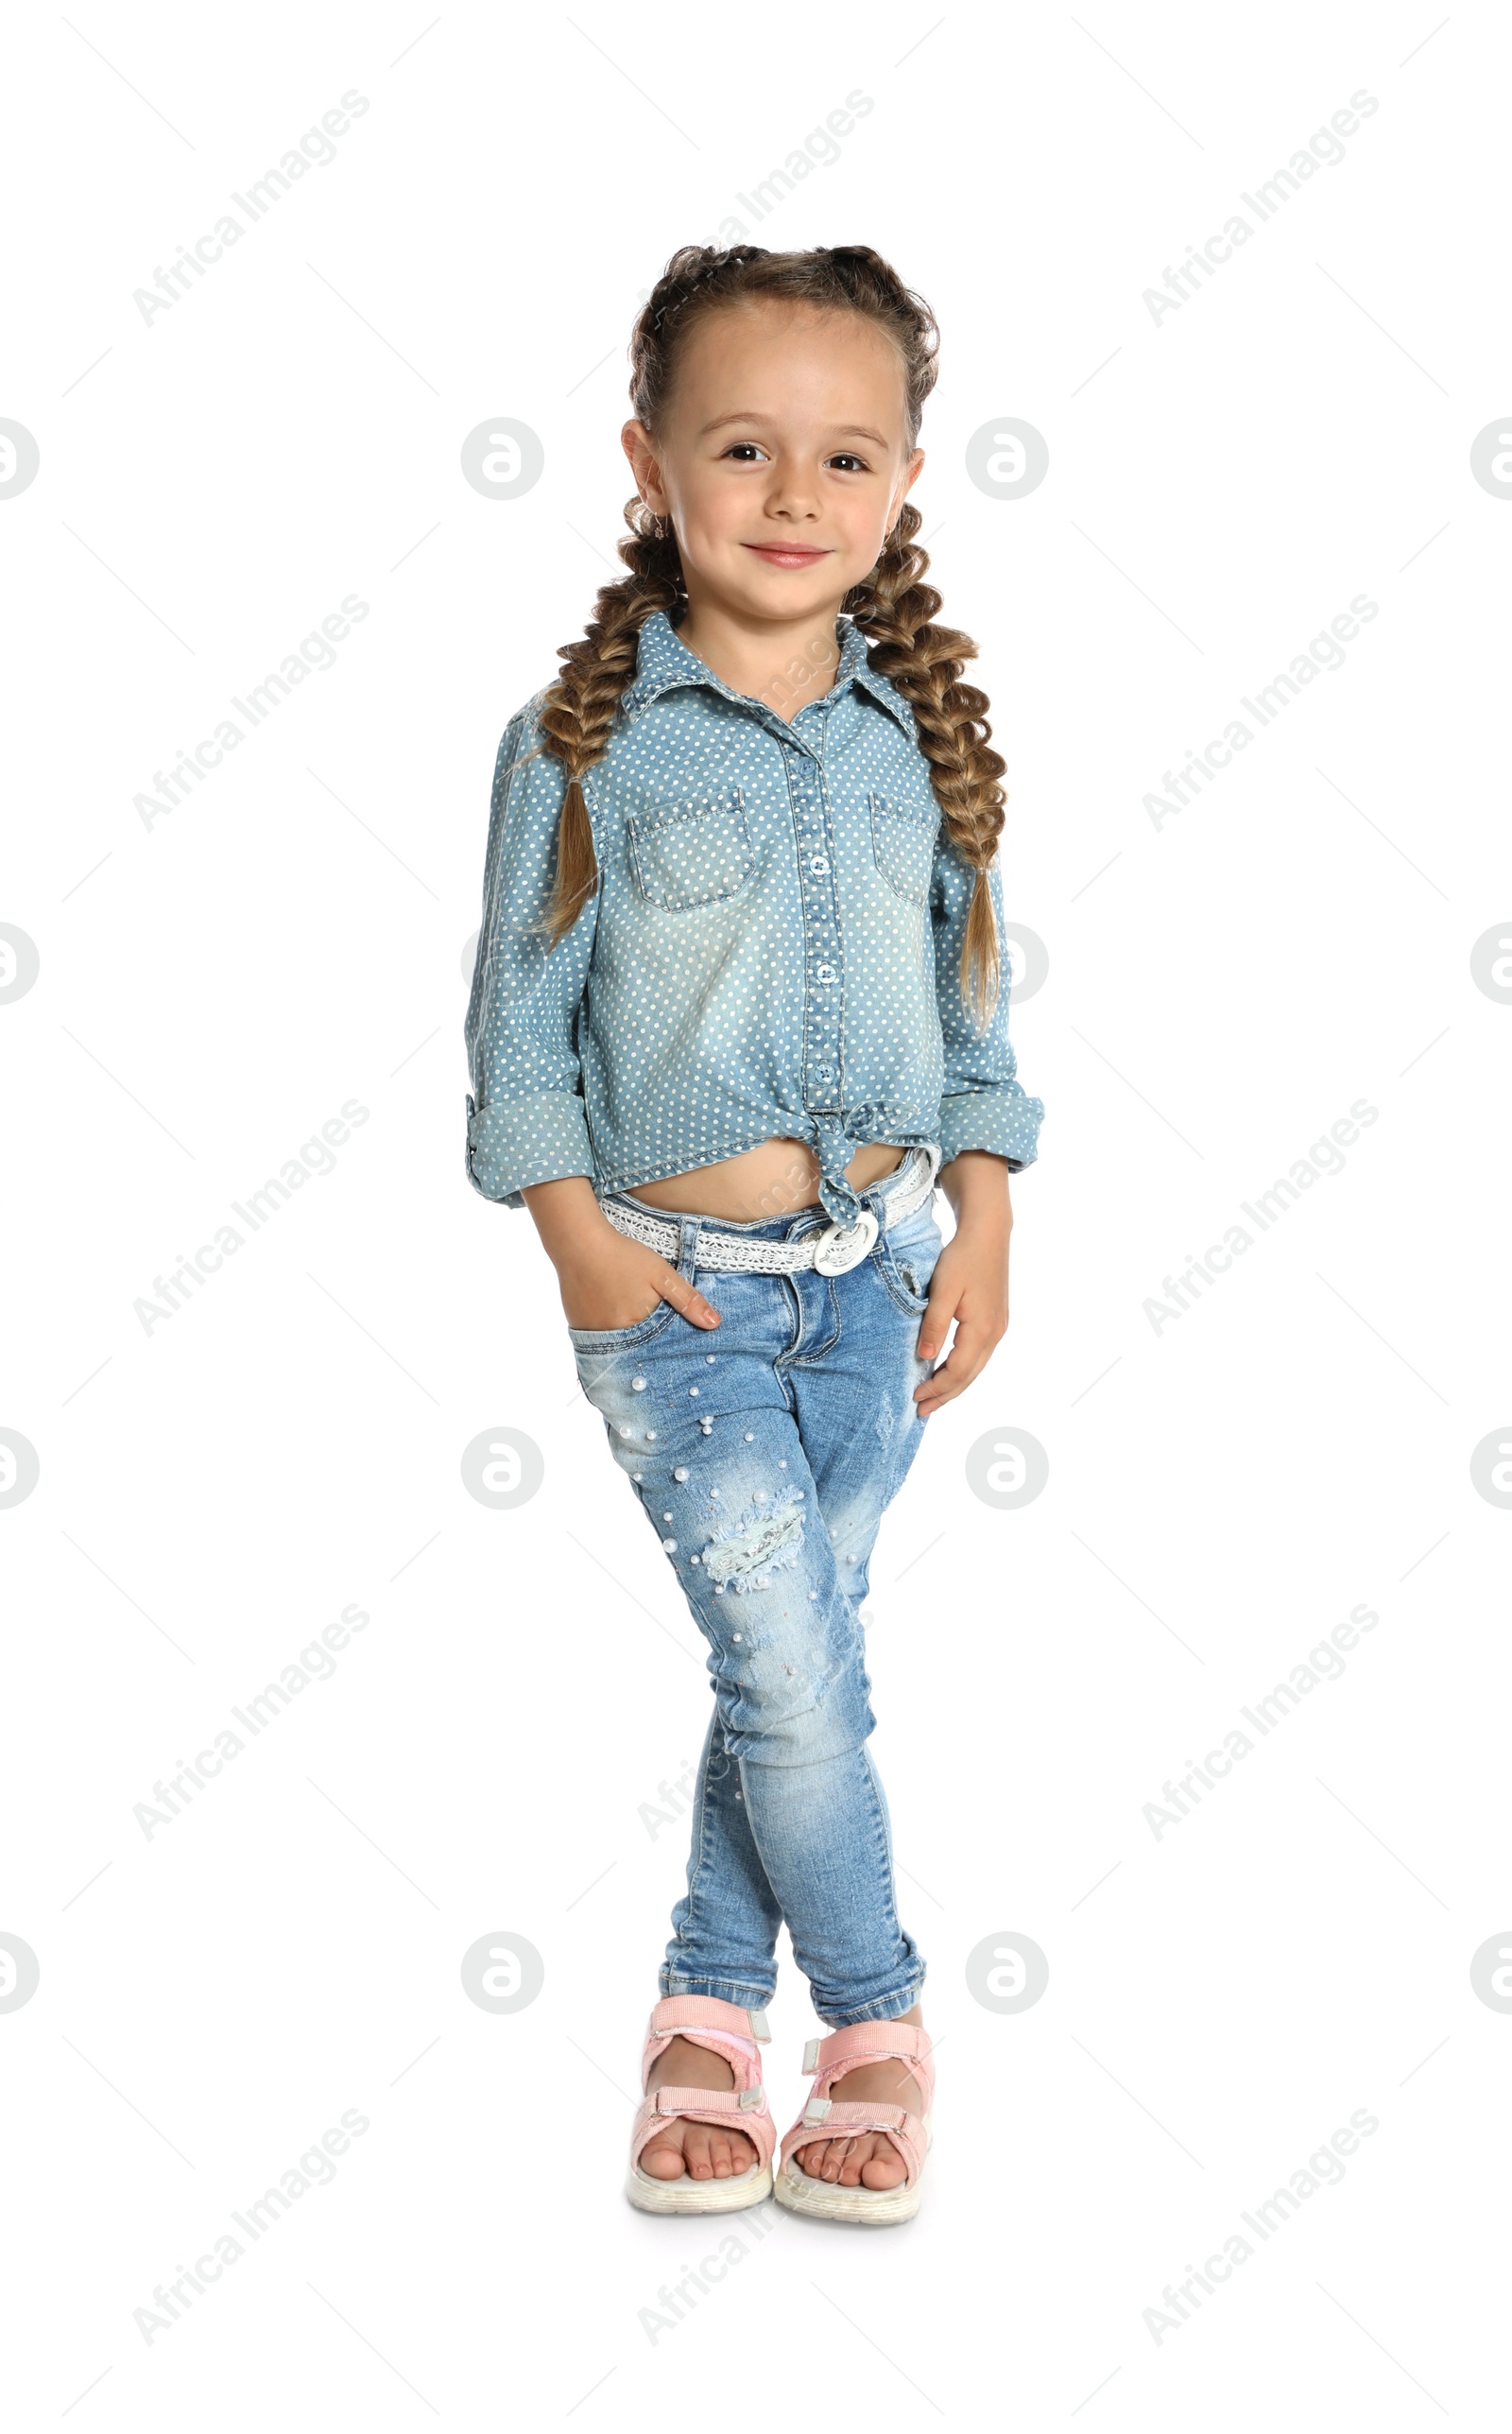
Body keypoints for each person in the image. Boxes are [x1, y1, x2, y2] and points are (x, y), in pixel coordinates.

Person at [464, 243, 1043, 2223]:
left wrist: (976, 1223)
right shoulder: (577, 747)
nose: (793, 498)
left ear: (899, 483)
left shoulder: (914, 750)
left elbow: (970, 1027)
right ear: (644, 464)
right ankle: (876, 2023)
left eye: (846, 456)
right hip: (680, 1298)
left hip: (873, 1286)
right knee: (797, 1678)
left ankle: (706, 2005)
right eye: (739, 446)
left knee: (785, 1669)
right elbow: (516, 1040)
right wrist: (582, 1248)